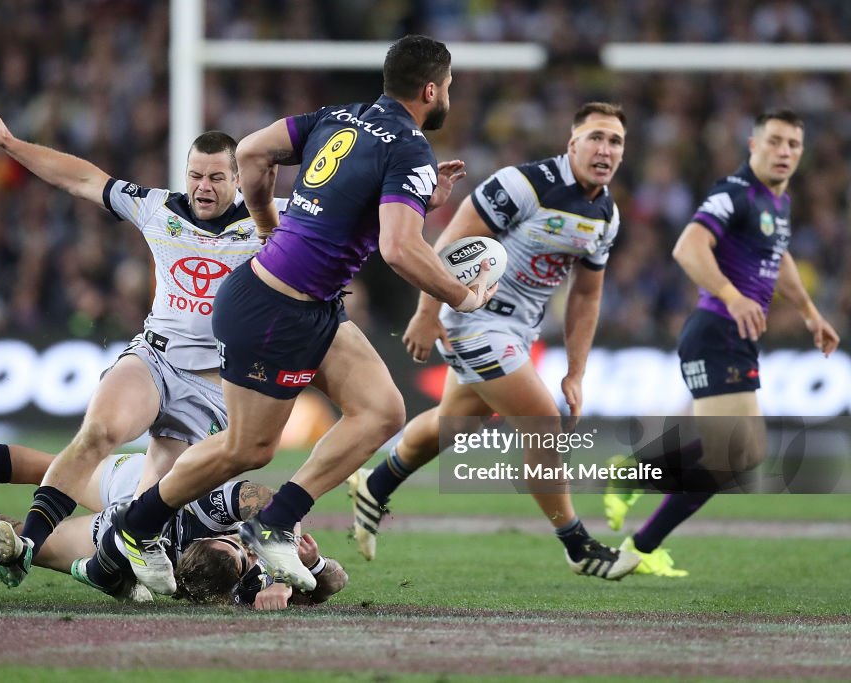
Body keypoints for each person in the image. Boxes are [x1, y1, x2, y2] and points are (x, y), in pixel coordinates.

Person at [93, 34, 495, 595]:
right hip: (273, 311)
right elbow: (400, 249)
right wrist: (464, 296)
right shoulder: (409, 148)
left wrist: (265, 220)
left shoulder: (342, 117)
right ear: (432, 89)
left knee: (381, 412)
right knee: (247, 449)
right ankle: (133, 530)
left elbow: (253, 151)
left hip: (311, 304)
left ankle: (274, 522)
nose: (448, 94)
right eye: (449, 86)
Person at [0, 98, 286, 594]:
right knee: (98, 433)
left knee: (154, 515)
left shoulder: (272, 222)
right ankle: (29, 542)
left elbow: (349, 216)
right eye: (195, 175)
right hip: (156, 358)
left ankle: (111, 569)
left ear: (239, 181)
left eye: (216, 178)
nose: (203, 187)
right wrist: (11, 145)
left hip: (214, 387)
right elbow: (81, 178)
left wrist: (419, 199)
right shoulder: (158, 207)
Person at [348, 102, 641, 581]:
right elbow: (451, 243)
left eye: (615, 141)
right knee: (543, 421)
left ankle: (373, 485)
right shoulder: (523, 184)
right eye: (596, 137)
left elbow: (586, 295)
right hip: (472, 318)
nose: (605, 149)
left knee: (455, 424)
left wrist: (576, 370)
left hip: (518, 332)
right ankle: (576, 544)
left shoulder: (605, 216)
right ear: (572, 144)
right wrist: (426, 311)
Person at [602, 109, 839, 576]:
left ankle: (637, 505)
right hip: (716, 331)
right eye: (775, 141)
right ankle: (638, 519)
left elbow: (779, 256)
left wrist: (811, 313)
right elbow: (687, 247)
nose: (784, 151)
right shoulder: (735, 194)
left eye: (793, 144)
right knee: (730, 456)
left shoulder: (778, 203)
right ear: (753, 145)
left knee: (742, 455)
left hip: (734, 337)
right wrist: (733, 297)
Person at [0, 434, 346, 609]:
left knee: (17, 542)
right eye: (242, 547)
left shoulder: (224, 584)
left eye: (242, 552)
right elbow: (261, 497)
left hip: (121, 530)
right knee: (48, 471)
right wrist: (301, 568)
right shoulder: (218, 518)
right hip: (148, 488)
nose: (246, 547)